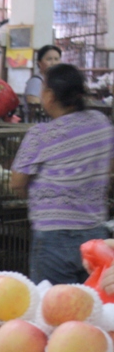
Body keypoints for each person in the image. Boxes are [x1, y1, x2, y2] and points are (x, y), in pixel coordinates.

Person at [11, 63, 113, 286]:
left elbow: (17, 181)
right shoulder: (101, 123)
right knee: (92, 308)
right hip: (95, 235)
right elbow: (110, 166)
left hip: (53, 237)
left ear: (49, 96)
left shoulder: (41, 134)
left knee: (52, 310)